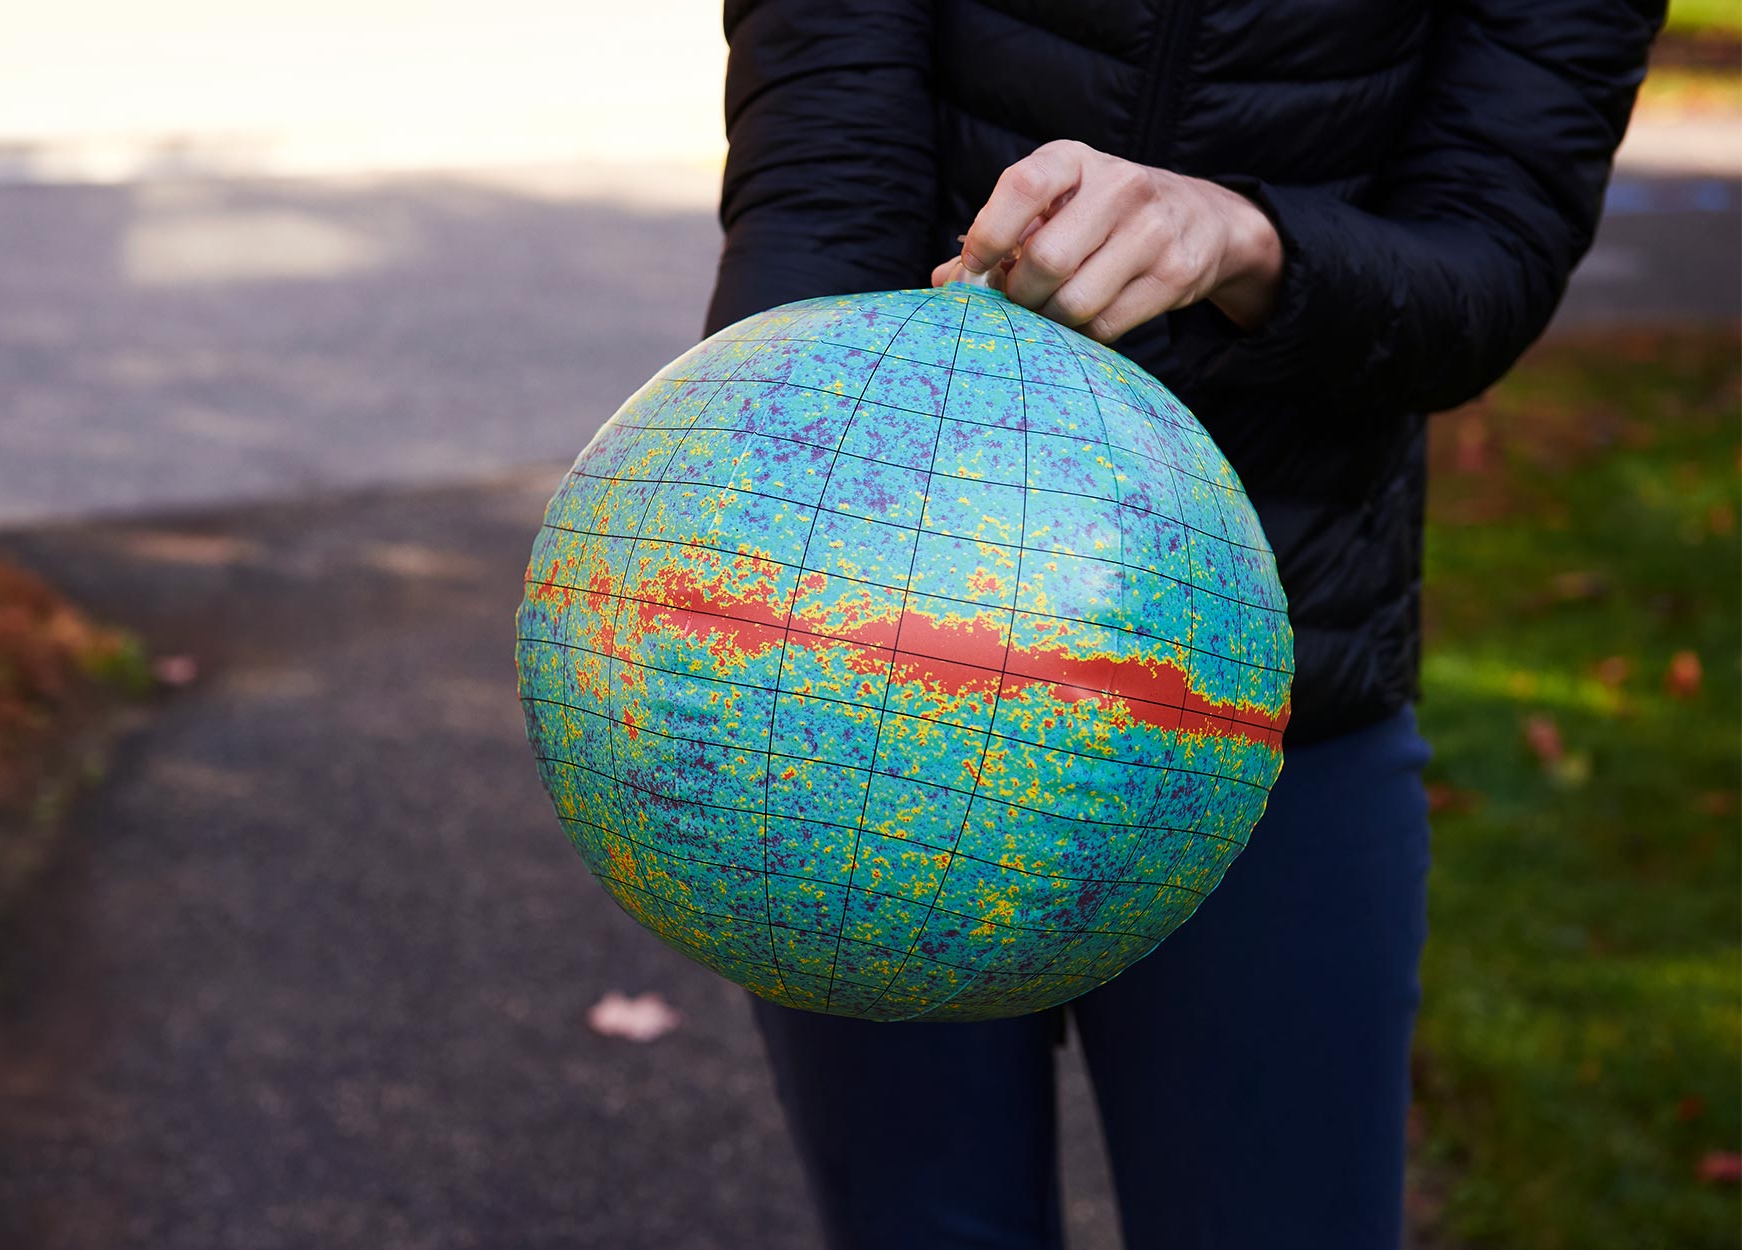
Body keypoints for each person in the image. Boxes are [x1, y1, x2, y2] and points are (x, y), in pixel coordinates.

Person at [701, 2, 1663, 1247]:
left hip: (1272, 696)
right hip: (864, 688)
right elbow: (819, 189)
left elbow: (1481, 260)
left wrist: (1248, 240)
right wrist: (777, 546)